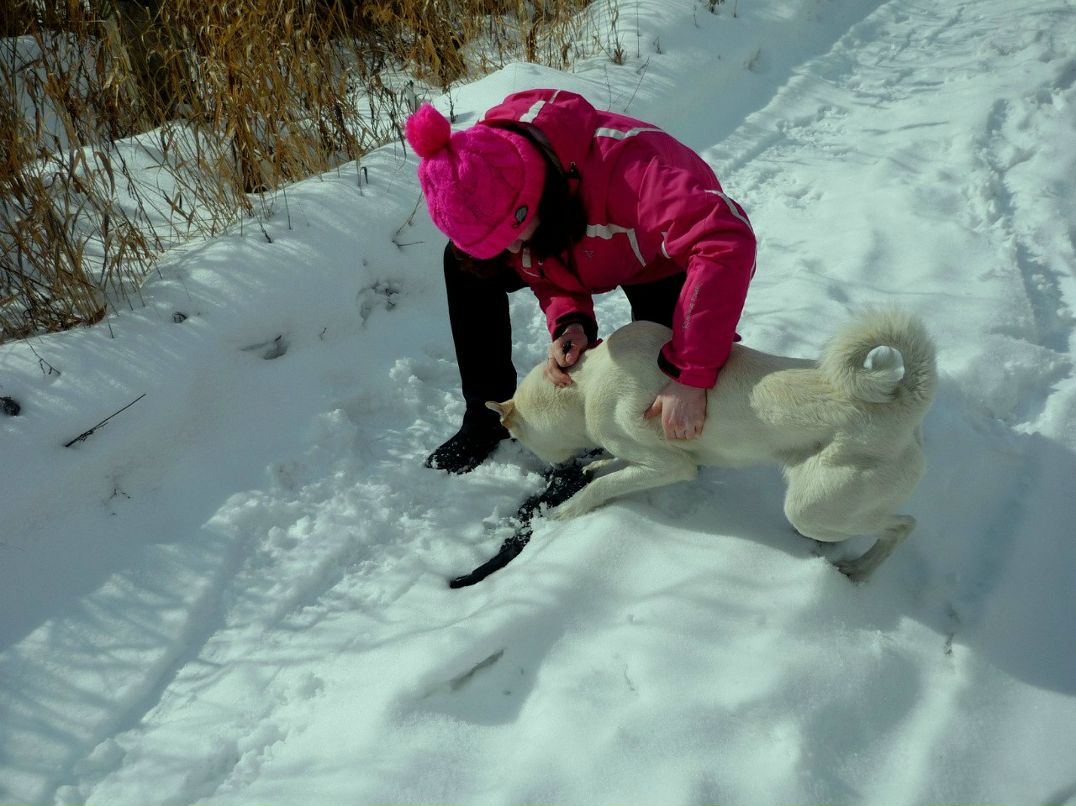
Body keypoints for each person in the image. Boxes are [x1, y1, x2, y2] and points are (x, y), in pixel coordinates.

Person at [405, 88, 757, 474]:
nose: (514, 249)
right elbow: (537, 261)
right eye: (501, 243)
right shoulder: (486, 181)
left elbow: (724, 239)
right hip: (584, 245)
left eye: (515, 233)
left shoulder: (633, 170)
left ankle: (641, 454)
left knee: (671, 386)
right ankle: (486, 415)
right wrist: (570, 320)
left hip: (659, 257)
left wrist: (691, 374)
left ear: (536, 193)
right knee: (464, 265)